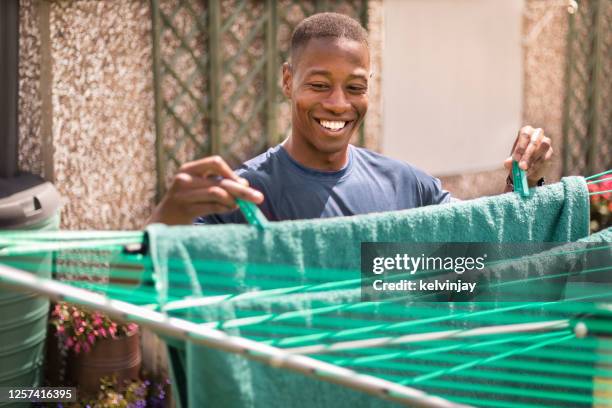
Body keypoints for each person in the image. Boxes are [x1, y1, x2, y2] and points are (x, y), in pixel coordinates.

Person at [148, 12, 553, 226]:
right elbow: (136, 295)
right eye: (320, 85)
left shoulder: (406, 186)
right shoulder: (246, 195)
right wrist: (166, 220)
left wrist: (522, 179)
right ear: (289, 81)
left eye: (355, 88)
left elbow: (475, 254)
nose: (339, 104)